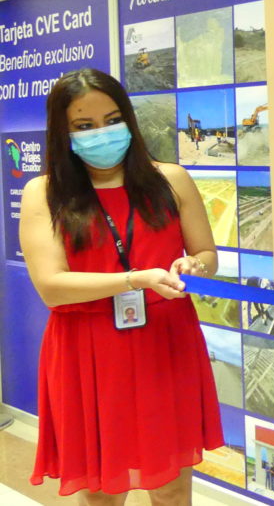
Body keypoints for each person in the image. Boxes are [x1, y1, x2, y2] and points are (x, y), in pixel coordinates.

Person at [20, 68, 223, 501]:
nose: (103, 133)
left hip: (166, 346)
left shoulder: (171, 179)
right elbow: (52, 286)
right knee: (103, 490)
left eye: (113, 120)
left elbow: (208, 255)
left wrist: (193, 266)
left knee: (171, 487)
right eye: (84, 126)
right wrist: (136, 278)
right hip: (88, 349)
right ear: (63, 133)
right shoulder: (45, 193)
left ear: (129, 119)